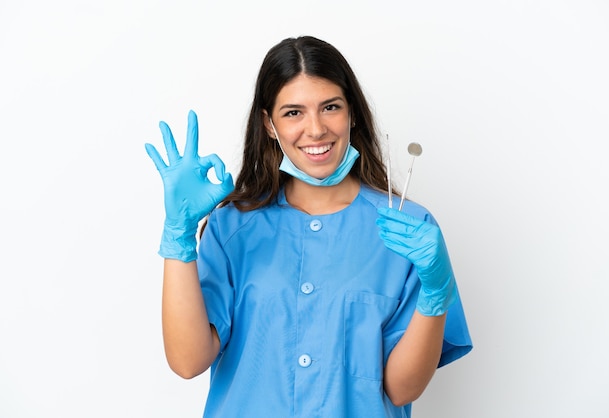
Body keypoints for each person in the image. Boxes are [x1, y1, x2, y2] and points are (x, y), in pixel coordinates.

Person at [145, 35, 472, 418]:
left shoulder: (409, 232)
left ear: (351, 112)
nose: (315, 130)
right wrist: (178, 237)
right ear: (269, 124)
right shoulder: (232, 228)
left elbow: (401, 390)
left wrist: (436, 292)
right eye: (293, 112)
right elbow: (188, 362)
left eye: (330, 107)